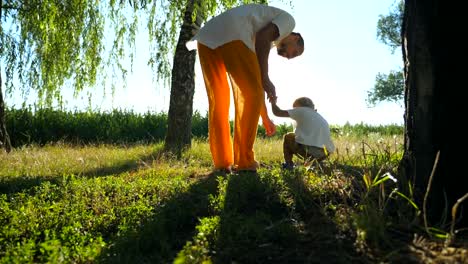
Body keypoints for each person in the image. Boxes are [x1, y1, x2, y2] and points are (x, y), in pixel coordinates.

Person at [186, 4, 304, 172]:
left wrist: (265, 117)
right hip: (234, 32)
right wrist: (265, 77)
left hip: (207, 38)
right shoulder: (289, 22)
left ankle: (222, 162)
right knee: (250, 94)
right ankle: (244, 161)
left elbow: (254, 86)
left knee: (219, 99)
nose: (289, 57)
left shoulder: (259, 41)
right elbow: (264, 38)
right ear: (295, 38)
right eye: (295, 52)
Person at [270, 97, 335, 169]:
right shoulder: (320, 117)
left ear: (299, 107)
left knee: (288, 137)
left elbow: (277, 112)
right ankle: (314, 164)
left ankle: (288, 164)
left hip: (310, 151)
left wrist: (273, 102)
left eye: (294, 108)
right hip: (325, 153)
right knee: (304, 141)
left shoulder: (302, 110)